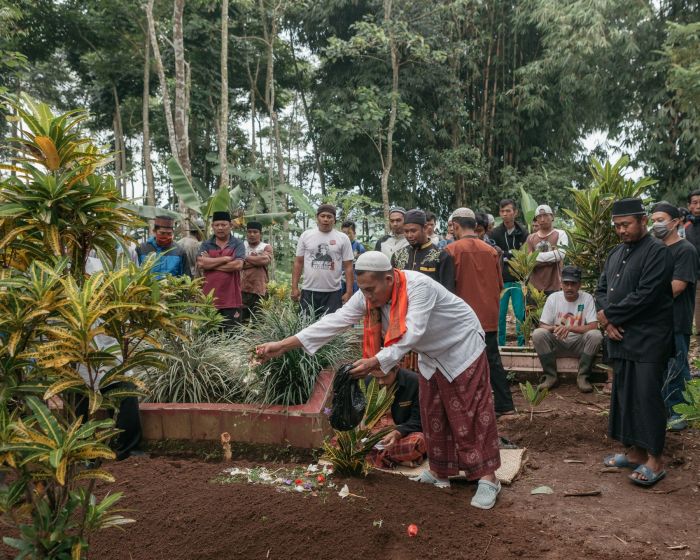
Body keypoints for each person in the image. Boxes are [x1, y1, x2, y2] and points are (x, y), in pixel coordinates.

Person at [256, 251, 502, 509]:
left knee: (469, 411)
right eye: (362, 290)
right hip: (431, 354)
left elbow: (412, 334)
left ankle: (488, 479)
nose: (367, 296)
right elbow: (335, 321)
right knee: (434, 412)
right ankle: (440, 472)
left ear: (388, 278)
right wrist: (284, 345)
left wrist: (375, 361)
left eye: (371, 289)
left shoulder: (419, 287)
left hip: (461, 345)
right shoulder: (368, 295)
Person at [595, 198, 673, 487]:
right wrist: (609, 320)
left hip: (649, 339)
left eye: (626, 225)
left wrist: (609, 317)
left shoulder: (658, 253)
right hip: (622, 336)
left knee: (647, 397)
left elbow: (646, 295)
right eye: (617, 226)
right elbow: (601, 289)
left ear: (643, 221)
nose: (621, 231)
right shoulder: (616, 252)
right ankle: (636, 452)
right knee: (625, 396)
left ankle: (655, 459)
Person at [447, 208, 515, 417]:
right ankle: (505, 404)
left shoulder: (451, 251)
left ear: (456, 226)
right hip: (488, 315)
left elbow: (448, 289)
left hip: (463, 318)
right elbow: (499, 283)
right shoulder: (491, 251)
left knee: (463, 361)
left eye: (452, 227)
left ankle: (470, 406)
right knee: (492, 358)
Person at [650, 202, 699, 431]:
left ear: (676, 221)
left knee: (676, 367)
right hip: (656, 321)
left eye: (660, 220)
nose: (656, 225)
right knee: (663, 367)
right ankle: (670, 411)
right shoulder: (657, 249)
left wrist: (645, 300)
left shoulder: (685, 250)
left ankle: (679, 414)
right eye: (653, 221)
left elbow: (677, 287)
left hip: (676, 320)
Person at [531, 266, 603, 392]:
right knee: (538, 334)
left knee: (596, 335)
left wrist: (570, 328)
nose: (569, 287)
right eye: (566, 283)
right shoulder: (553, 298)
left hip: (579, 345)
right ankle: (550, 376)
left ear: (579, 284)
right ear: (561, 283)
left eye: (573, 284)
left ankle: (583, 376)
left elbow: (593, 326)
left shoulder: (587, 298)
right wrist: (555, 328)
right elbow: (542, 325)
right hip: (557, 344)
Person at [292, 204, 354, 316]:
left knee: (332, 328)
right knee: (306, 326)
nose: (326, 219)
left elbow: (348, 266)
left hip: (333, 292)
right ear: (317, 218)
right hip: (309, 291)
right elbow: (298, 262)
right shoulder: (306, 235)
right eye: (323, 216)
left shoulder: (343, 238)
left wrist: (349, 291)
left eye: (329, 217)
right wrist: (294, 287)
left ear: (334, 220)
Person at [367, 367, 426, 469]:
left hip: (403, 434)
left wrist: (398, 432)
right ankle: (397, 459)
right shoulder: (368, 381)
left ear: (396, 369)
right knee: (338, 442)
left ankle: (371, 456)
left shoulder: (414, 381)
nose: (380, 382)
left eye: (385, 377)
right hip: (372, 435)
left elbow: (418, 419)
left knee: (419, 442)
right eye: (376, 378)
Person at [197, 211, 246, 329]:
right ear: (212, 226)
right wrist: (225, 259)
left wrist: (211, 262)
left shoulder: (238, 244)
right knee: (209, 336)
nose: (220, 228)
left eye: (224, 225)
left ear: (230, 225)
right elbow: (201, 263)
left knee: (232, 337)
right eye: (217, 225)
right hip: (209, 300)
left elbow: (237, 265)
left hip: (232, 299)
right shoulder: (206, 244)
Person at [491, 199, 528, 347]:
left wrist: (505, 254)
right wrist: (511, 254)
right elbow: (494, 253)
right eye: (502, 211)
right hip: (501, 279)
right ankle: (500, 345)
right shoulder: (495, 232)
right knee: (500, 314)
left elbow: (525, 254)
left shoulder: (523, 232)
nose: (505, 214)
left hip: (519, 278)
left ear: (515, 212)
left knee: (520, 314)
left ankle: (521, 345)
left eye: (508, 211)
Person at [391, 209, 455, 292]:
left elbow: (448, 290)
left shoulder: (441, 256)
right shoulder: (397, 256)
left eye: (413, 231)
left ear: (424, 228)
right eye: (406, 231)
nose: (409, 235)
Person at [526, 204, 568, 295]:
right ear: (536, 219)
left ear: (552, 217)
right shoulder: (531, 238)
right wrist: (551, 258)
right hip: (534, 286)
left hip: (555, 285)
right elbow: (529, 260)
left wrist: (536, 257)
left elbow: (561, 254)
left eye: (545, 215)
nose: (542, 219)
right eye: (539, 216)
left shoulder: (560, 234)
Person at [241, 221, 273, 321]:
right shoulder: (241, 245)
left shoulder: (266, 246)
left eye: (255, 232)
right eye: (249, 232)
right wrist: (256, 261)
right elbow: (236, 263)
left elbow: (264, 260)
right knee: (241, 322)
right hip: (241, 289)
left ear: (260, 234)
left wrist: (244, 258)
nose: (252, 235)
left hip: (259, 289)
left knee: (258, 322)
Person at [684, 189, 700, 333]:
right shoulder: (685, 227)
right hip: (693, 276)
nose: (698, 206)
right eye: (695, 203)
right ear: (689, 206)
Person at [341, 220, 366, 294]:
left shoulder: (359, 247)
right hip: (340, 280)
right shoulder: (338, 247)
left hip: (355, 280)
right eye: (344, 233)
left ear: (354, 233)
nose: (346, 236)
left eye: (349, 233)